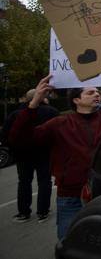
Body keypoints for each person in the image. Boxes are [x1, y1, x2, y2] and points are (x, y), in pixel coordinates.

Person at [9, 66, 101, 239]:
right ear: (76, 100)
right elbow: (19, 140)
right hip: (70, 198)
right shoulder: (59, 124)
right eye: (90, 92)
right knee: (70, 242)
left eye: (97, 92)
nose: (97, 94)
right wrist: (33, 104)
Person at [4, 89, 58, 223]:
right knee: (44, 181)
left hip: (22, 154)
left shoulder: (15, 114)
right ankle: (43, 212)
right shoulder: (51, 112)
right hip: (44, 153)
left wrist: (13, 151)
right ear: (43, 98)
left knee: (24, 182)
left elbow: (6, 135)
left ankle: (23, 212)